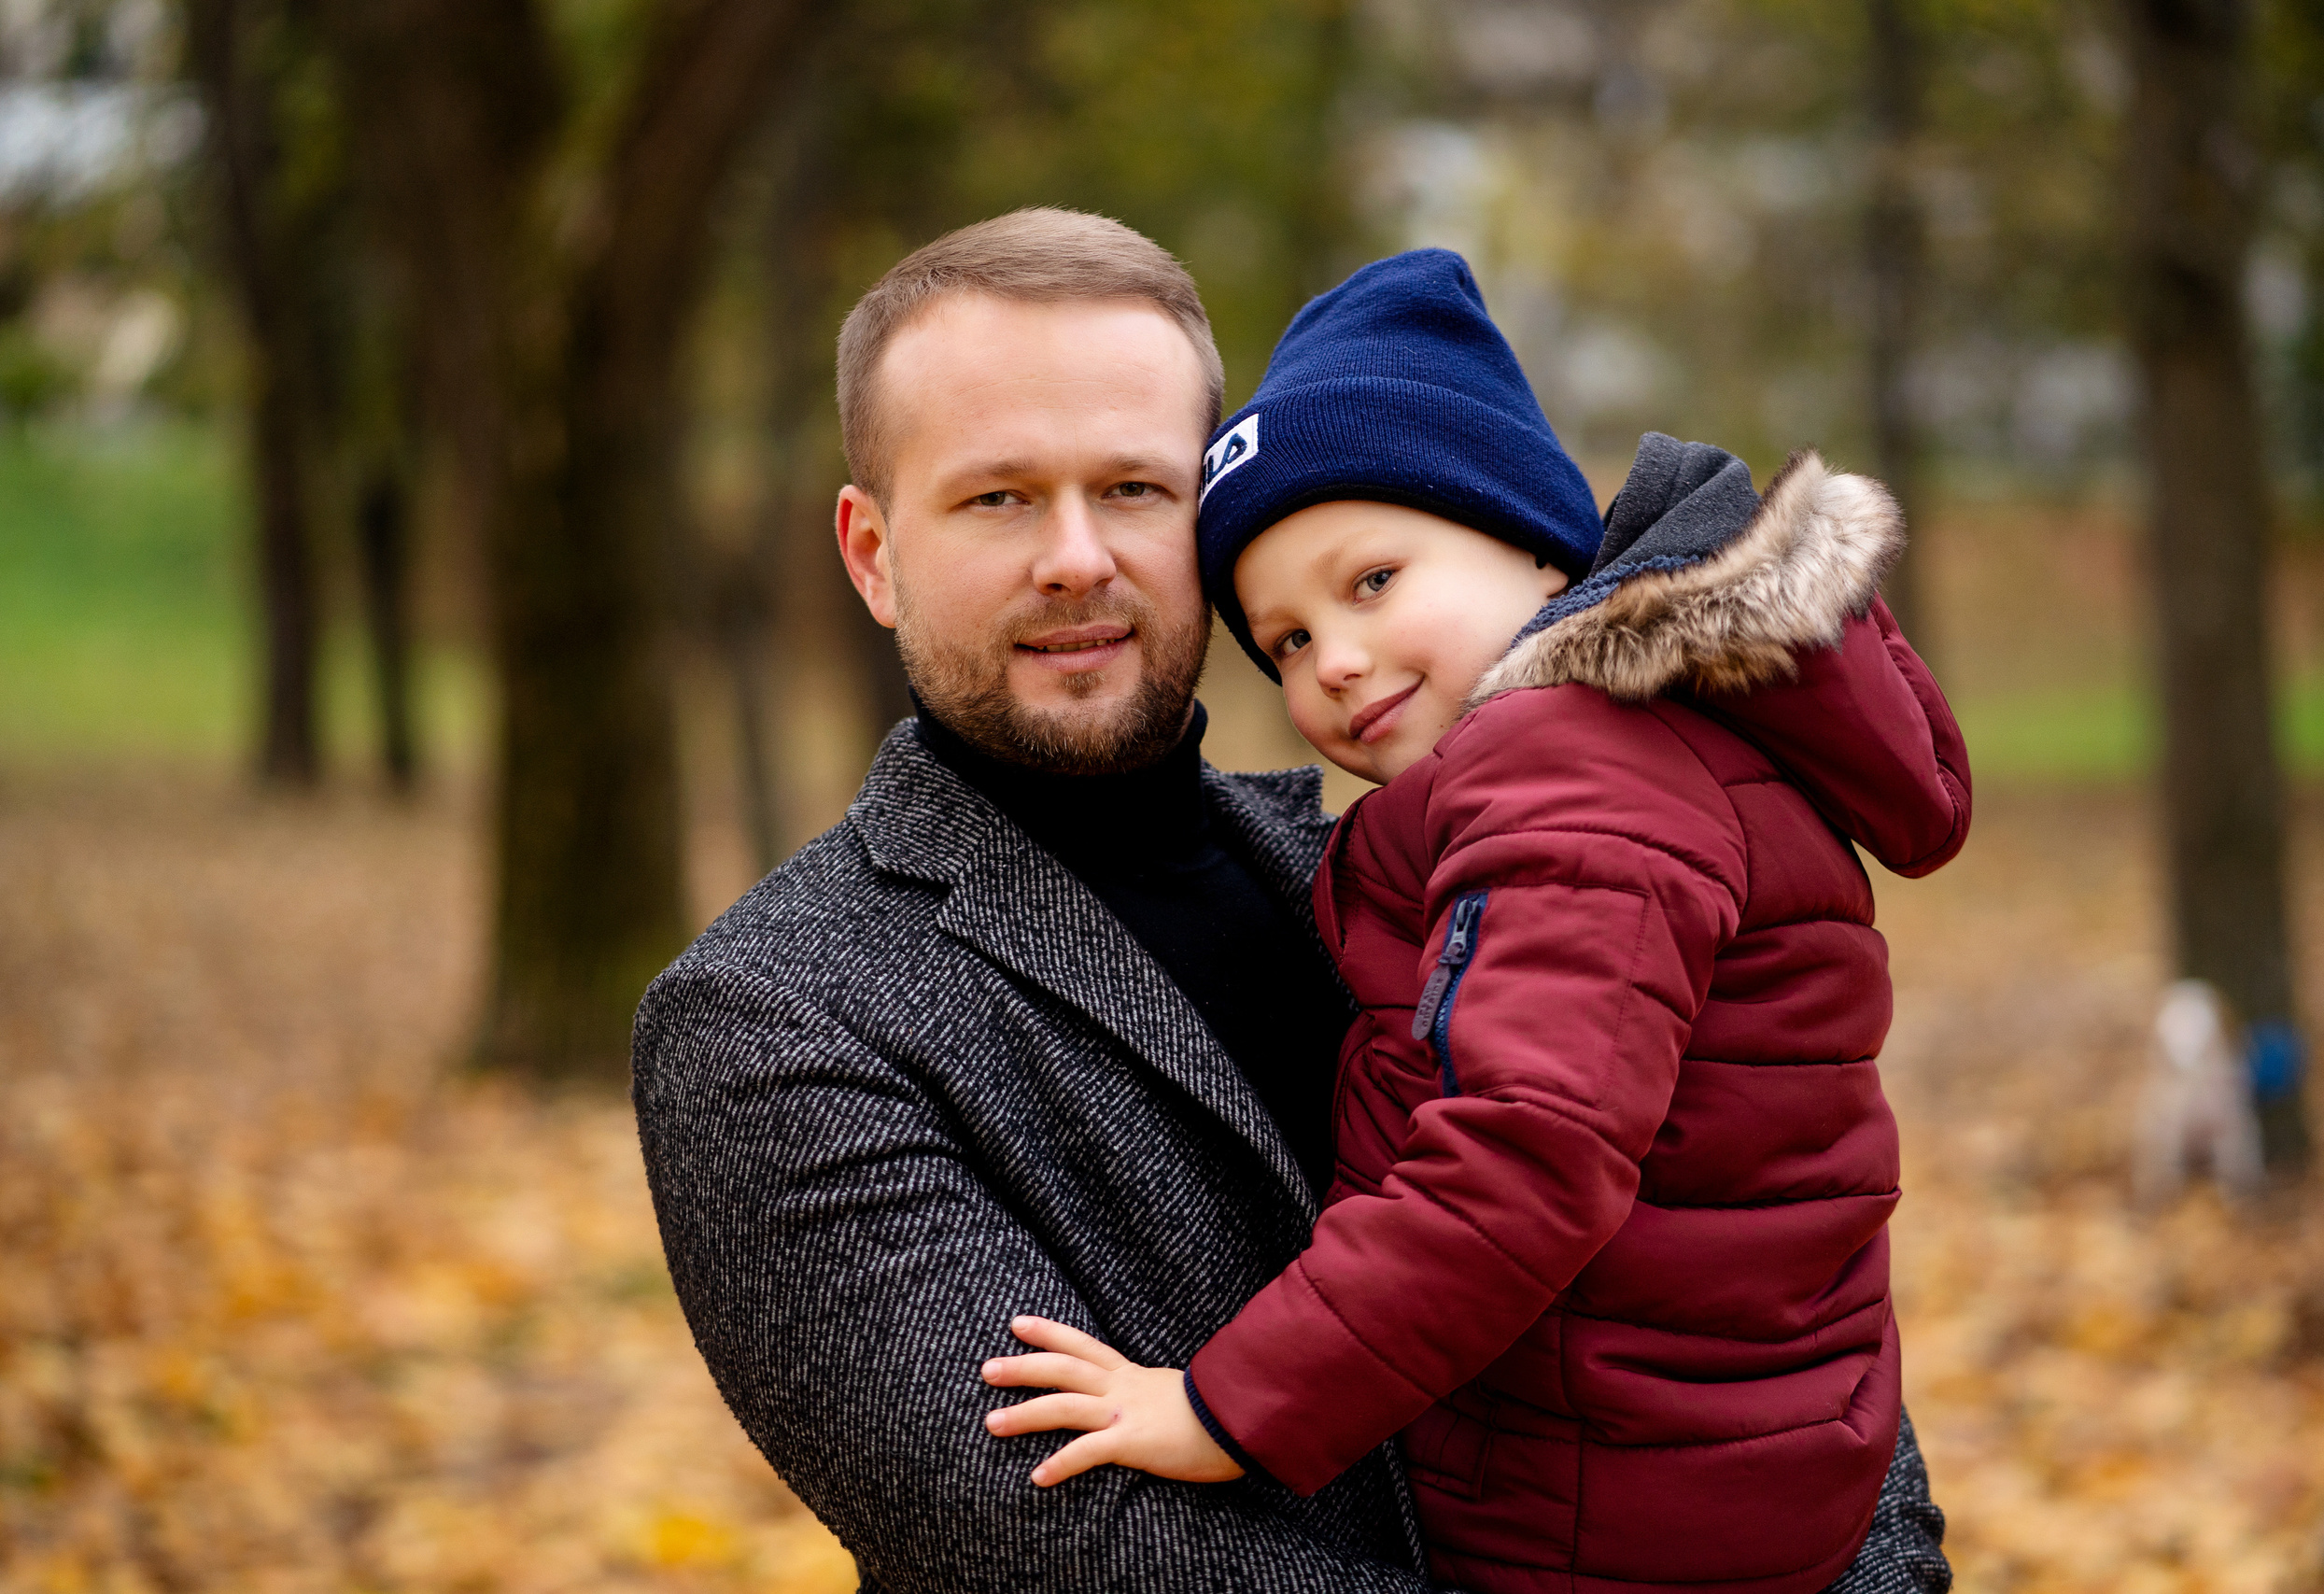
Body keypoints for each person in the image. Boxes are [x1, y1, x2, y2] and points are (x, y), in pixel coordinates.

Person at [632, 210, 1954, 1592]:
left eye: (1136, 490)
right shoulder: (777, 1017)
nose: (1079, 556)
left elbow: (1777, 1275)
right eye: (999, 497)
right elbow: (1060, 1547)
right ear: (871, 550)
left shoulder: (1428, 862)